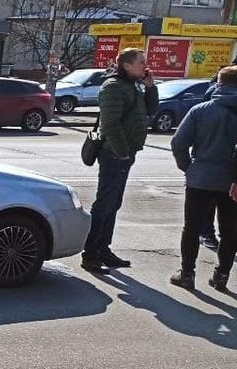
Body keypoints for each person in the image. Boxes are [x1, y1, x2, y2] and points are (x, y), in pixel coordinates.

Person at [82, 48, 160, 273]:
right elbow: (110, 125)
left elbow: (151, 110)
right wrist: (122, 151)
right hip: (114, 154)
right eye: (141, 62)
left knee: (114, 204)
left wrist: (150, 86)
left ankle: (103, 248)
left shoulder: (132, 86)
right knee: (104, 204)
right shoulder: (113, 87)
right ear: (126, 65)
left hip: (125, 154)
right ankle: (90, 253)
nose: (145, 66)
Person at [169, 65, 237, 292]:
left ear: (219, 84)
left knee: (192, 228)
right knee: (229, 231)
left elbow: (179, 142)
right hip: (232, 182)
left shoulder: (200, 110)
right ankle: (221, 276)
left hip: (200, 178)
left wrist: (188, 167)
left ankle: (187, 274)